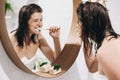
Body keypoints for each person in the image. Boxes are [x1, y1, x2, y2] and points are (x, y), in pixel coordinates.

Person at [9, 3, 61, 70]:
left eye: (41, 20)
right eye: (35, 20)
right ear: (25, 22)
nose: (40, 24)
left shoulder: (38, 38)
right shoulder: (11, 39)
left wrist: (56, 39)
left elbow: (57, 62)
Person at [77, 1, 120, 80]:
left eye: (78, 22)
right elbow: (92, 67)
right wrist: (84, 38)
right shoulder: (110, 42)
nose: (77, 26)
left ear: (87, 24)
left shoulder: (106, 50)